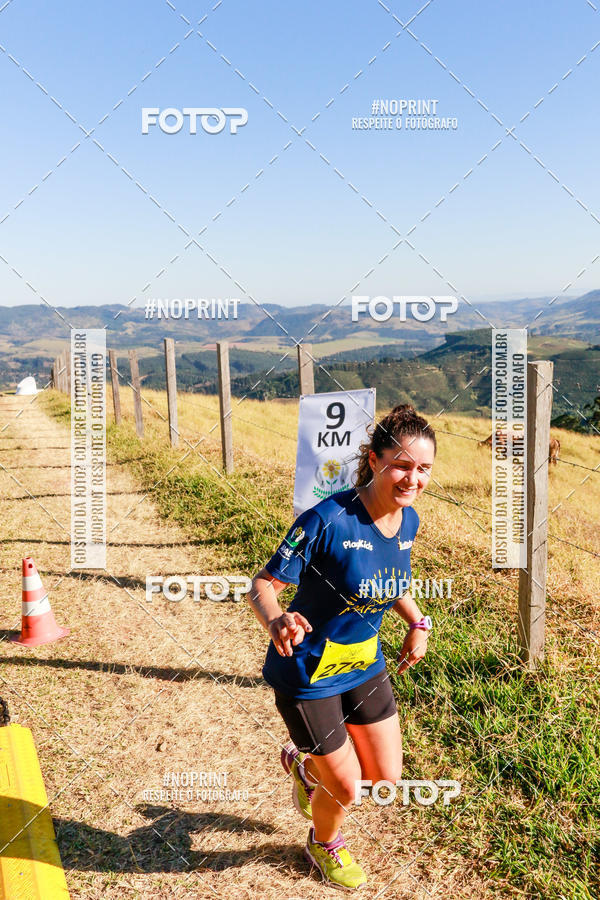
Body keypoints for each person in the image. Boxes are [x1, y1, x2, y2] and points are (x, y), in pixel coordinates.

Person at [247, 404, 436, 890]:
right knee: (347, 788)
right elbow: (262, 583)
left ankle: (305, 766)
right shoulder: (327, 519)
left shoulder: (408, 520)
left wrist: (417, 621)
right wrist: (277, 619)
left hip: (363, 664)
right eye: (402, 465)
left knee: (386, 780)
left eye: (423, 469)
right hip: (307, 672)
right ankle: (323, 842)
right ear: (374, 461)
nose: (413, 479)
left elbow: (389, 579)